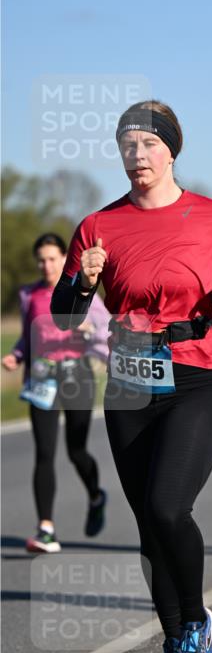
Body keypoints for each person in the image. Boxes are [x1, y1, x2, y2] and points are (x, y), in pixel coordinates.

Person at [51, 100, 212, 653]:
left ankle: (196, 622)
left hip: (197, 370)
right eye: (127, 145)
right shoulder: (97, 226)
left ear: (171, 149)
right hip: (131, 374)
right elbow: (64, 320)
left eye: (147, 144)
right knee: (147, 520)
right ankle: (172, 638)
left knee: (169, 505)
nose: (136, 155)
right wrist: (81, 280)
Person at [2, 233, 110, 554]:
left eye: (52, 259)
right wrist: (17, 355)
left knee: (76, 451)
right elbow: (27, 336)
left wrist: (87, 330)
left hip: (77, 374)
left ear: (65, 259)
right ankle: (45, 528)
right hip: (42, 378)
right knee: (44, 453)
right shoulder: (29, 295)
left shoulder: (82, 290)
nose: (46, 265)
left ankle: (95, 495)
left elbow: (106, 331)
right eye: (41, 260)